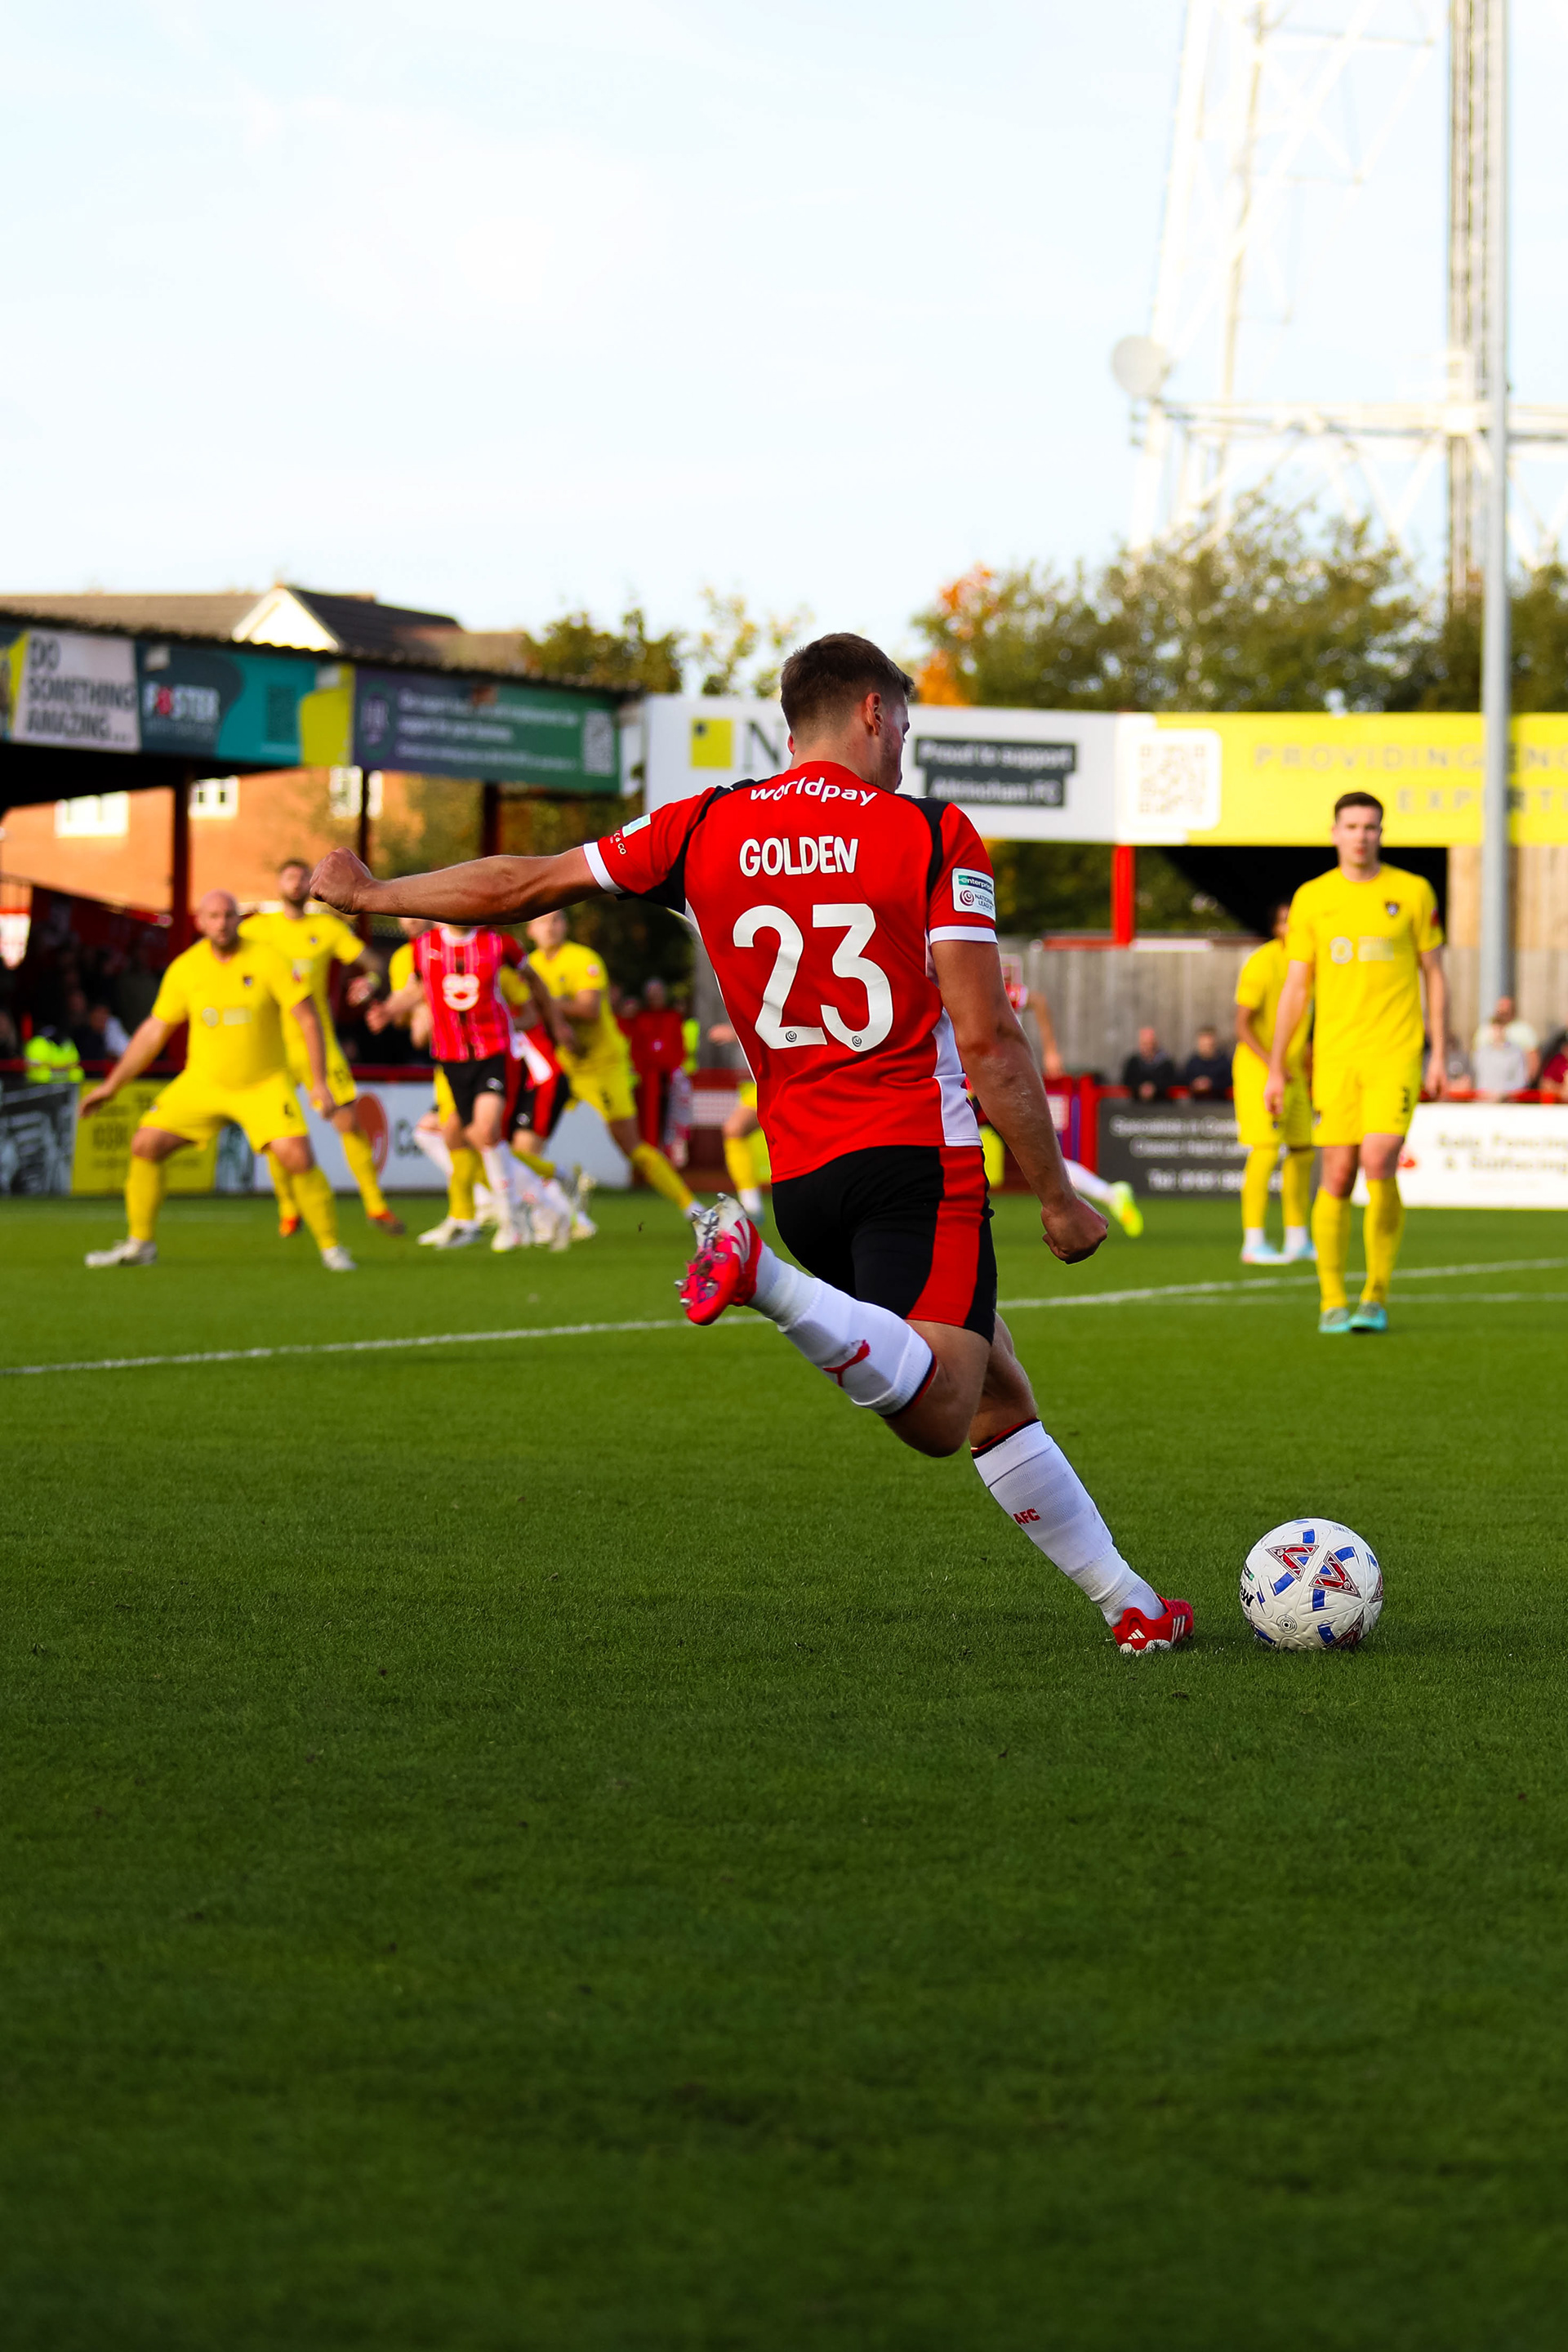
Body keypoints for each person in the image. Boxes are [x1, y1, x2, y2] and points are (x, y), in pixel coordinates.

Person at [308, 630, 1192, 1655]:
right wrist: (1056, 1196)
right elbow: (988, 1041)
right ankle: (761, 1280)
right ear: (872, 712)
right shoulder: (932, 831)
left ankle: (1131, 1604)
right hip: (917, 1162)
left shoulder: (706, 824)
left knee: (997, 1393)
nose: (905, 741)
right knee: (944, 1409)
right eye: (903, 720)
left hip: (806, 1176)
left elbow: (524, 885)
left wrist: (376, 896)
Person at [78, 889, 352, 1272]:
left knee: (297, 1156)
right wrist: (111, 1086)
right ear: (200, 922)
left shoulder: (269, 959)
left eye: (228, 915)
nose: (222, 923)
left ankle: (331, 1247)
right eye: (213, 916)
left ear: (238, 919)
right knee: (145, 1143)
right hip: (204, 1083)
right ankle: (140, 1244)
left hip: (264, 1082)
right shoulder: (186, 969)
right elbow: (153, 1032)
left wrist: (319, 1082)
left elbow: (308, 1018)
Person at [1265, 791, 1446, 1334]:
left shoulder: (1412, 891)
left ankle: (1375, 1294)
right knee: (1338, 1174)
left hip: (1395, 1052)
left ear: (1381, 833)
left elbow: (1434, 974)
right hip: (1337, 1058)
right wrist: (1278, 1065)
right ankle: (1331, 1299)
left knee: (1380, 1158)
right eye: (1352, 826)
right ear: (1335, 832)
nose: (1362, 835)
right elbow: (1297, 987)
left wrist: (1440, 1051)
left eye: (1371, 826)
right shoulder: (1312, 898)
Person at [240, 858, 405, 1237]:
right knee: (279, 1134)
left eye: (302, 877)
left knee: (347, 1121)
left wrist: (372, 981)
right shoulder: (257, 929)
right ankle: (288, 1209)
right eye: (289, 877)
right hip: (271, 1046)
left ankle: (375, 1206)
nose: (296, 883)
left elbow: (373, 962)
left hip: (319, 1042)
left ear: (312, 885)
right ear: (278, 883)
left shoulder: (325, 928)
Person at [374, 921, 551, 1252]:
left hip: (491, 1052)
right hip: (450, 1058)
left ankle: (504, 1217)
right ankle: (534, 1195)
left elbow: (531, 987)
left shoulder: (498, 945)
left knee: (483, 1131)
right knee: (464, 1135)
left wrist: (553, 1019)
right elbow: (416, 991)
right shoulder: (422, 948)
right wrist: (388, 1010)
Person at [525, 912, 701, 1227]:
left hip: (602, 1065)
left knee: (631, 1146)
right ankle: (557, 1211)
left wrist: (546, 1003)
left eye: (556, 921)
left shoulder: (582, 959)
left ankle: (693, 1209)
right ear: (530, 929)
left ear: (566, 926)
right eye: (543, 922)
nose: (550, 927)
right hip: (559, 1065)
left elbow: (590, 1009)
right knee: (523, 1146)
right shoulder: (529, 965)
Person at [994, 969, 1143, 1238]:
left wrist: (1051, 1050)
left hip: (994, 1083)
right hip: (975, 1083)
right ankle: (1110, 1193)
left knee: (1041, 1155)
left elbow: (1036, 1000)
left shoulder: (984, 990)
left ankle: (1108, 1194)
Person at [1232, 903, 1315, 1266]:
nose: (1291, 927)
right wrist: (1274, 1066)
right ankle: (1253, 1242)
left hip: (1295, 1072)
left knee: (1302, 1151)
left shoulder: (1311, 965)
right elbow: (1242, 1025)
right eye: (1285, 922)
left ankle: (1298, 1237)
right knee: (1265, 1151)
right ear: (1276, 928)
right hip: (1260, 1071)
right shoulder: (1262, 963)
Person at [627, 978, 688, 1151]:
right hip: (647, 1079)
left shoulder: (673, 1018)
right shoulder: (639, 1018)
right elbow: (635, 1047)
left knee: (673, 1117)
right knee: (647, 1119)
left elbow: (679, 1046)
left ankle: (672, 1151)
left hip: (670, 1076)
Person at [1470, 995, 1539, 1100]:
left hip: (1508, 1100)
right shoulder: (1483, 1037)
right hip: (1485, 1099)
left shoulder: (1523, 1035)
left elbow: (1529, 1069)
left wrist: (1507, 1093)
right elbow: (1476, 1071)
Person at [1120, 1027, 1178, 1102]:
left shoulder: (1166, 1063)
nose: (1147, 1047)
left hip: (1162, 1106)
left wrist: (1155, 1088)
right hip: (1136, 1107)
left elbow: (1172, 1082)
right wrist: (1140, 1088)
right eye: (1144, 1044)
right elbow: (1126, 1081)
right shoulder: (1133, 1062)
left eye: (1149, 1043)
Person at [1183, 1026, 1232, 1100]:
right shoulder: (1192, 1063)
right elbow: (1183, 1081)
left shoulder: (1224, 1063)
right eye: (1203, 1045)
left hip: (1219, 1105)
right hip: (1195, 1106)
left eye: (1209, 1045)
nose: (1206, 1048)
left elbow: (1229, 1083)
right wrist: (1194, 1084)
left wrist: (1212, 1084)